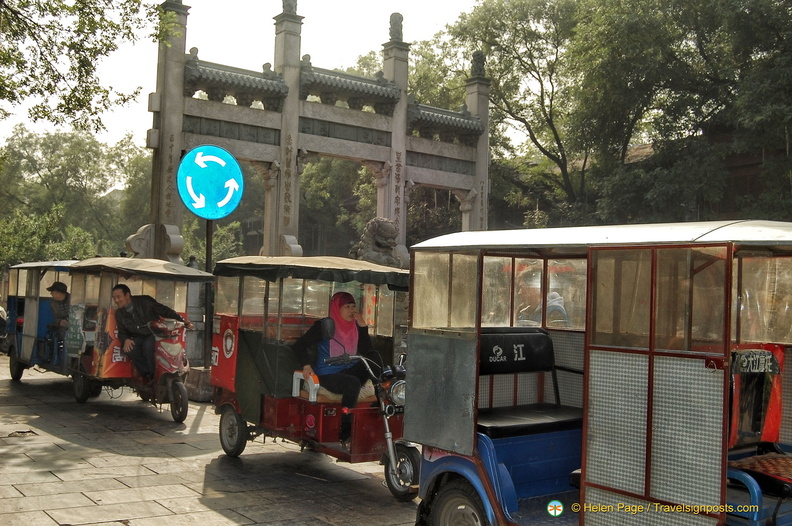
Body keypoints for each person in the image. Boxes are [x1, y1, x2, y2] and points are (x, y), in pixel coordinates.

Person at [292, 291, 383, 448]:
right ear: (336, 308)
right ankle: (345, 430)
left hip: (348, 370)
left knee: (373, 356)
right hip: (328, 374)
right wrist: (306, 365)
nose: (352, 310)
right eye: (347, 307)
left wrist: (362, 326)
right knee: (353, 383)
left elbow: (367, 351)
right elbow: (300, 345)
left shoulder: (354, 326)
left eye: (353, 306)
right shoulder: (325, 326)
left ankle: (381, 401)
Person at [111, 283, 193, 381]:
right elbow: (122, 332)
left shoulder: (145, 301)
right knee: (129, 349)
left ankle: (154, 375)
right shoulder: (119, 313)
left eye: (118, 297)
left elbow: (164, 310)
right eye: (114, 298)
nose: (116, 300)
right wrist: (126, 340)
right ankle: (147, 374)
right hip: (139, 336)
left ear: (127, 295)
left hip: (155, 333)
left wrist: (182, 320)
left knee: (148, 345)